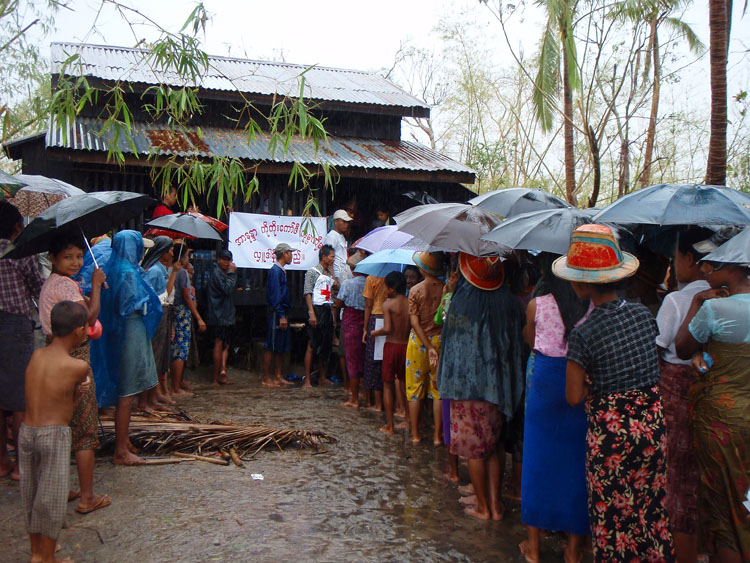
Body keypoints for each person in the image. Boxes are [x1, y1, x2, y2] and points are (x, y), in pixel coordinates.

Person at [556, 224, 674, 562]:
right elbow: (647, 364)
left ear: (581, 282)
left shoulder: (584, 333)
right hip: (652, 426)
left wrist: (594, 382)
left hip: (613, 437)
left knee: (613, 522)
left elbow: (574, 396)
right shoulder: (642, 313)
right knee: (651, 513)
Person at [674, 229, 750, 563]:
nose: (708, 270)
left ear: (735, 269)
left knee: (724, 513)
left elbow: (682, 347)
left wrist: (696, 301)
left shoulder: (717, 309)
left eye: (716, 264)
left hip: (720, 422)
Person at [438, 253, 524, 521]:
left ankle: (483, 507)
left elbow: (451, 348)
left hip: (467, 389)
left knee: (475, 451)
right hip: (498, 387)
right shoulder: (509, 302)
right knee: (494, 446)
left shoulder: (462, 303)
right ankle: (496, 506)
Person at [518, 253, 592, 562]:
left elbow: (530, 340)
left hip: (546, 382)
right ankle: (573, 551)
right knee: (576, 465)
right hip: (579, 381)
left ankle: (534, 547)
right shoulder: (589, 308)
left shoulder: (538, 304)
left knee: (537, 462)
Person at [39, 232, 110, 514]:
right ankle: (87, 496)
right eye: (67, 257)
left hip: (53, 354)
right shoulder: (66, 286)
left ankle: (61, 486)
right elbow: (89, 319)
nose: (75, 261)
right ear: (53, 259)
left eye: (79, 256)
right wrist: (95, 286)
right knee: (83, 429)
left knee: (61, 426)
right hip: (75, 356)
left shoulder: (55, 284)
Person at [654, 227, 711, 563]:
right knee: (702, 473)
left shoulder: (676, 301)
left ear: (690, 259)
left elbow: (662, 348)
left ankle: (680, 552)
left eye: (676, 258)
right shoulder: (729, 293)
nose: (674, 265)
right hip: (712, 392)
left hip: (675, 392)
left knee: (676, 476)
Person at [20, 301, 90, 563]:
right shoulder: (78, 367)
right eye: (85, 329)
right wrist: (79, 391)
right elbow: (68, 412)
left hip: (27, 432)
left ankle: (37, 552)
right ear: (78, 331)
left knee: (32, 493)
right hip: (54, 434)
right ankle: (47, 558)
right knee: (51, 497)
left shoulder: (37, 355)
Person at [95, 230, 162, 465]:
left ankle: (124, 442)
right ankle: (121, 451)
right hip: (131, 331)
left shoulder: (112, 268)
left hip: (119, 332)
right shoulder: (128, 272)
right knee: (127, 392)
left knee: (126, 390)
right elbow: (130, 305)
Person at [0, 201, 44, 481]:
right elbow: (37, 287)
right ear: (18, 227)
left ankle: (2, 462)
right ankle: (20, 465)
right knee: (19, 401)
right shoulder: (19, 251)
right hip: (15, 325)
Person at [405, 251, 446, 445]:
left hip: (418, 343)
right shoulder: (446, 288)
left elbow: (414, 322)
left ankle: (415, 434)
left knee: (414, 388)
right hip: (440, 340)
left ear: (422, 269)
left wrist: (426, 345)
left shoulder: (415, 290)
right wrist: (433, 346)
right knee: (437, 391)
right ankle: (438, 436)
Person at [142, 236, 180, 406]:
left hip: (162, 314)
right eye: (170, 249)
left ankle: (154, 394)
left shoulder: (160, 269)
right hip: (156, 314)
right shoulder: (155, 271)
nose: (173, 252)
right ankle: (149, 397)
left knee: (160, 356)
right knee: (155, 355)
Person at [370, 271, 409, 434]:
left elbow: (387, 329)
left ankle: (390, 426)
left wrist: (374, 333)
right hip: (406, 347)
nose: (385, 290)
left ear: (392, 289)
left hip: (392, 346)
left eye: (386, 287)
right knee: (405, 385)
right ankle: (409, 421)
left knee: (387, 385)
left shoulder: (388, 305)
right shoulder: (410, 303)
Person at [170, 243, 206, 396]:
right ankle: (176, 387)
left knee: (175, 349)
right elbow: (186, 296)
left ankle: (178, 382)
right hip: (181, 312)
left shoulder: (169, 270)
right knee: (181, 350)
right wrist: (198, 317)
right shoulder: (181, 273)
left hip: (171, 310)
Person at [263, 243, 295, 387]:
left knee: (281, 345)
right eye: (290, 253)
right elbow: (275, 295)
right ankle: (266, 377)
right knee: (272, 344)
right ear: (284, 254)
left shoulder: (281, 271)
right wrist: (281, 314)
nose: (292, 256)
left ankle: (278, 375)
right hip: (277, 312)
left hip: (282, 310)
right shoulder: (275, 271)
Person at [303, 245, 336, 388]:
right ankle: (307, 380)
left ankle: (322, 376)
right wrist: (312, 313)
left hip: (327, 309)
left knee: (325, 345)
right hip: (317, 309)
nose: (333, 259)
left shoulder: (328, 273)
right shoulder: (312, 272)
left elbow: (336, 285)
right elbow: (307, 292)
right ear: (324, 257)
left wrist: (333, 272)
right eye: (331, 256)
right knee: (312, 344)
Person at [335, 268, 367, 407]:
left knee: (352, 360)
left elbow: (339, 303)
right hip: (365, 320)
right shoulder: (370, 283)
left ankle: (354, 398)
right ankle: (366, 395)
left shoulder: (348, 283)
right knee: (364, 358)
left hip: (351, 321)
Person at [207, 249, 237, 385]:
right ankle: (215, 377)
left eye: (228, 260)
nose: (226, 262)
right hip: (219, 315)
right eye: (224, 259)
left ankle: (222, 372)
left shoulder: (223, 274)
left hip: (226, 315)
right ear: (218, 260)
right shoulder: (217, 274)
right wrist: (232, 273)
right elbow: (227, 289)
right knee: (219, 344)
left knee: (226, 344)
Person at [361, 273, 388, 410]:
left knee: (373, 361)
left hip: (376, 317)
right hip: (390, 317)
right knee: (384, 360)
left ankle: (374, 402)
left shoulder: (371, 278)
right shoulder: (394, 273)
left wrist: (365, 328)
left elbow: (368, 305)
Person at [323, 209, 353, 288]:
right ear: (336, 221)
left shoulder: (341, 236)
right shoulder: (332, 236)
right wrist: (333, 278)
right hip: (337, 275)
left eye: (347, 222)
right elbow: (328, 258)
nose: (346, 224)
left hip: (343, 274)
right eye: (343, 221)